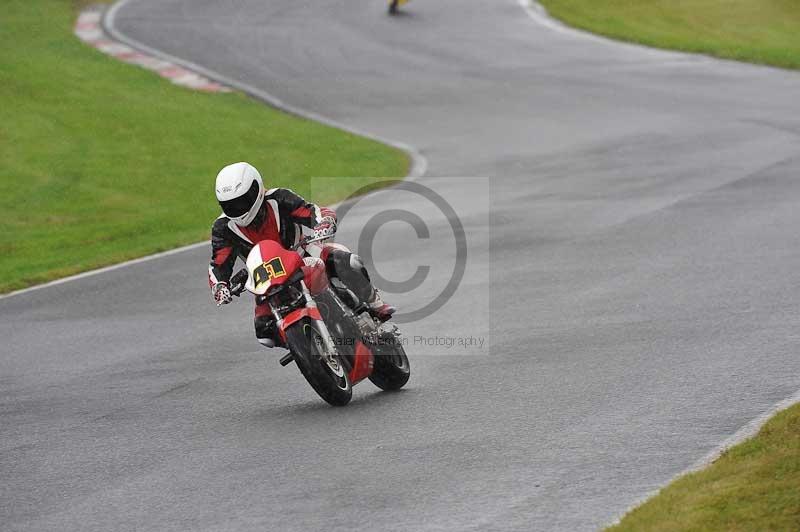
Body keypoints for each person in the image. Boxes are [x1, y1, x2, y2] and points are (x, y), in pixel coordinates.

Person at [208, 162, 395, 348]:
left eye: (242, 201)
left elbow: (312, 211)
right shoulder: (223, 228)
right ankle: (302, 346)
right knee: (264, 332)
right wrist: (220, 286)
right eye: (230, 205)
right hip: (267, 280)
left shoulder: (279, 198)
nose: (238, 208)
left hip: (303, 255)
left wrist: (324, 222)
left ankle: (375, 306)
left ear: (256, 189)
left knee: (347, 262)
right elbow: (218, 263)